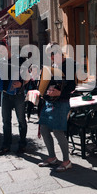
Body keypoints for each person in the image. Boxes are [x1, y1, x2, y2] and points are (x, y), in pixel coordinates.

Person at [38, 42, 76, 172]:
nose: (51, 57)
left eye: (53, 54)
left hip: (62, 102)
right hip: (50, 102)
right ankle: (52, 157)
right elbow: (52, 84)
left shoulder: (69, 64)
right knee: (43, 128)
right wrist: (45, 91)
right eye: (49, 55)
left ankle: (66, 161)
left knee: (58, 131)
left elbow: (72, 87)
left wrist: (60, 92)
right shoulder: (52, 66)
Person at [0, 40, 28, 155]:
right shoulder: (0, 62)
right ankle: (6, 145)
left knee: (21, 121)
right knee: (6, 121)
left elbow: (28, 76)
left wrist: (21, 84)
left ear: (7, 47)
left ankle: (22, 144)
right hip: (5, 94)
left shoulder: (20, 60)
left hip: (18, 94)